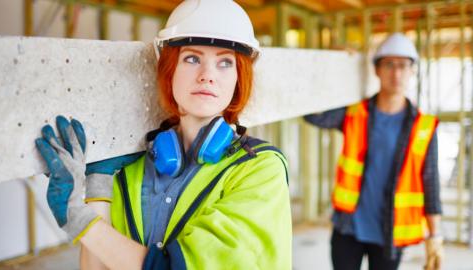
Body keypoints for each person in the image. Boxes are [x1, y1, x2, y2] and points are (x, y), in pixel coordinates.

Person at [34, 0, 292, 269]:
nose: (207, 75)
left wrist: (77, 218)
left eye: (225, 62)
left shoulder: (260, 170)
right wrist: (98, 190)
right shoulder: (130, 169)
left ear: (240, 78)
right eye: (192, 58)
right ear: (170, 71)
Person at [304, 33, 443, 270]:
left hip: (390, 233)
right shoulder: (355, 113)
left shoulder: (424, 126)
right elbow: (313, 115)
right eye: (388, 64)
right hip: (349, 227)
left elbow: (430, 182)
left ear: (412, 71)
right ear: (377, 70)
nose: (396, 73)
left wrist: (435, 236)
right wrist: (334, 68)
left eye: (403, 65)